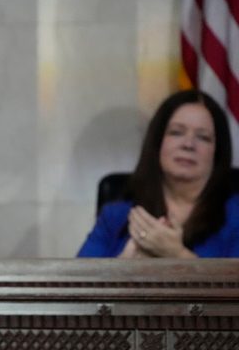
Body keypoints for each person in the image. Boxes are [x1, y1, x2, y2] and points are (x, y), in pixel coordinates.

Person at [78, 89, 239, 258]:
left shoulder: (235, 215)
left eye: (203, 137)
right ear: (158, 143)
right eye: (176, 132)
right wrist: (125, 265)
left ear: (217, 152)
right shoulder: (115, 216)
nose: (189, 144)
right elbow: (77, 282)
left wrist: (177, 255)